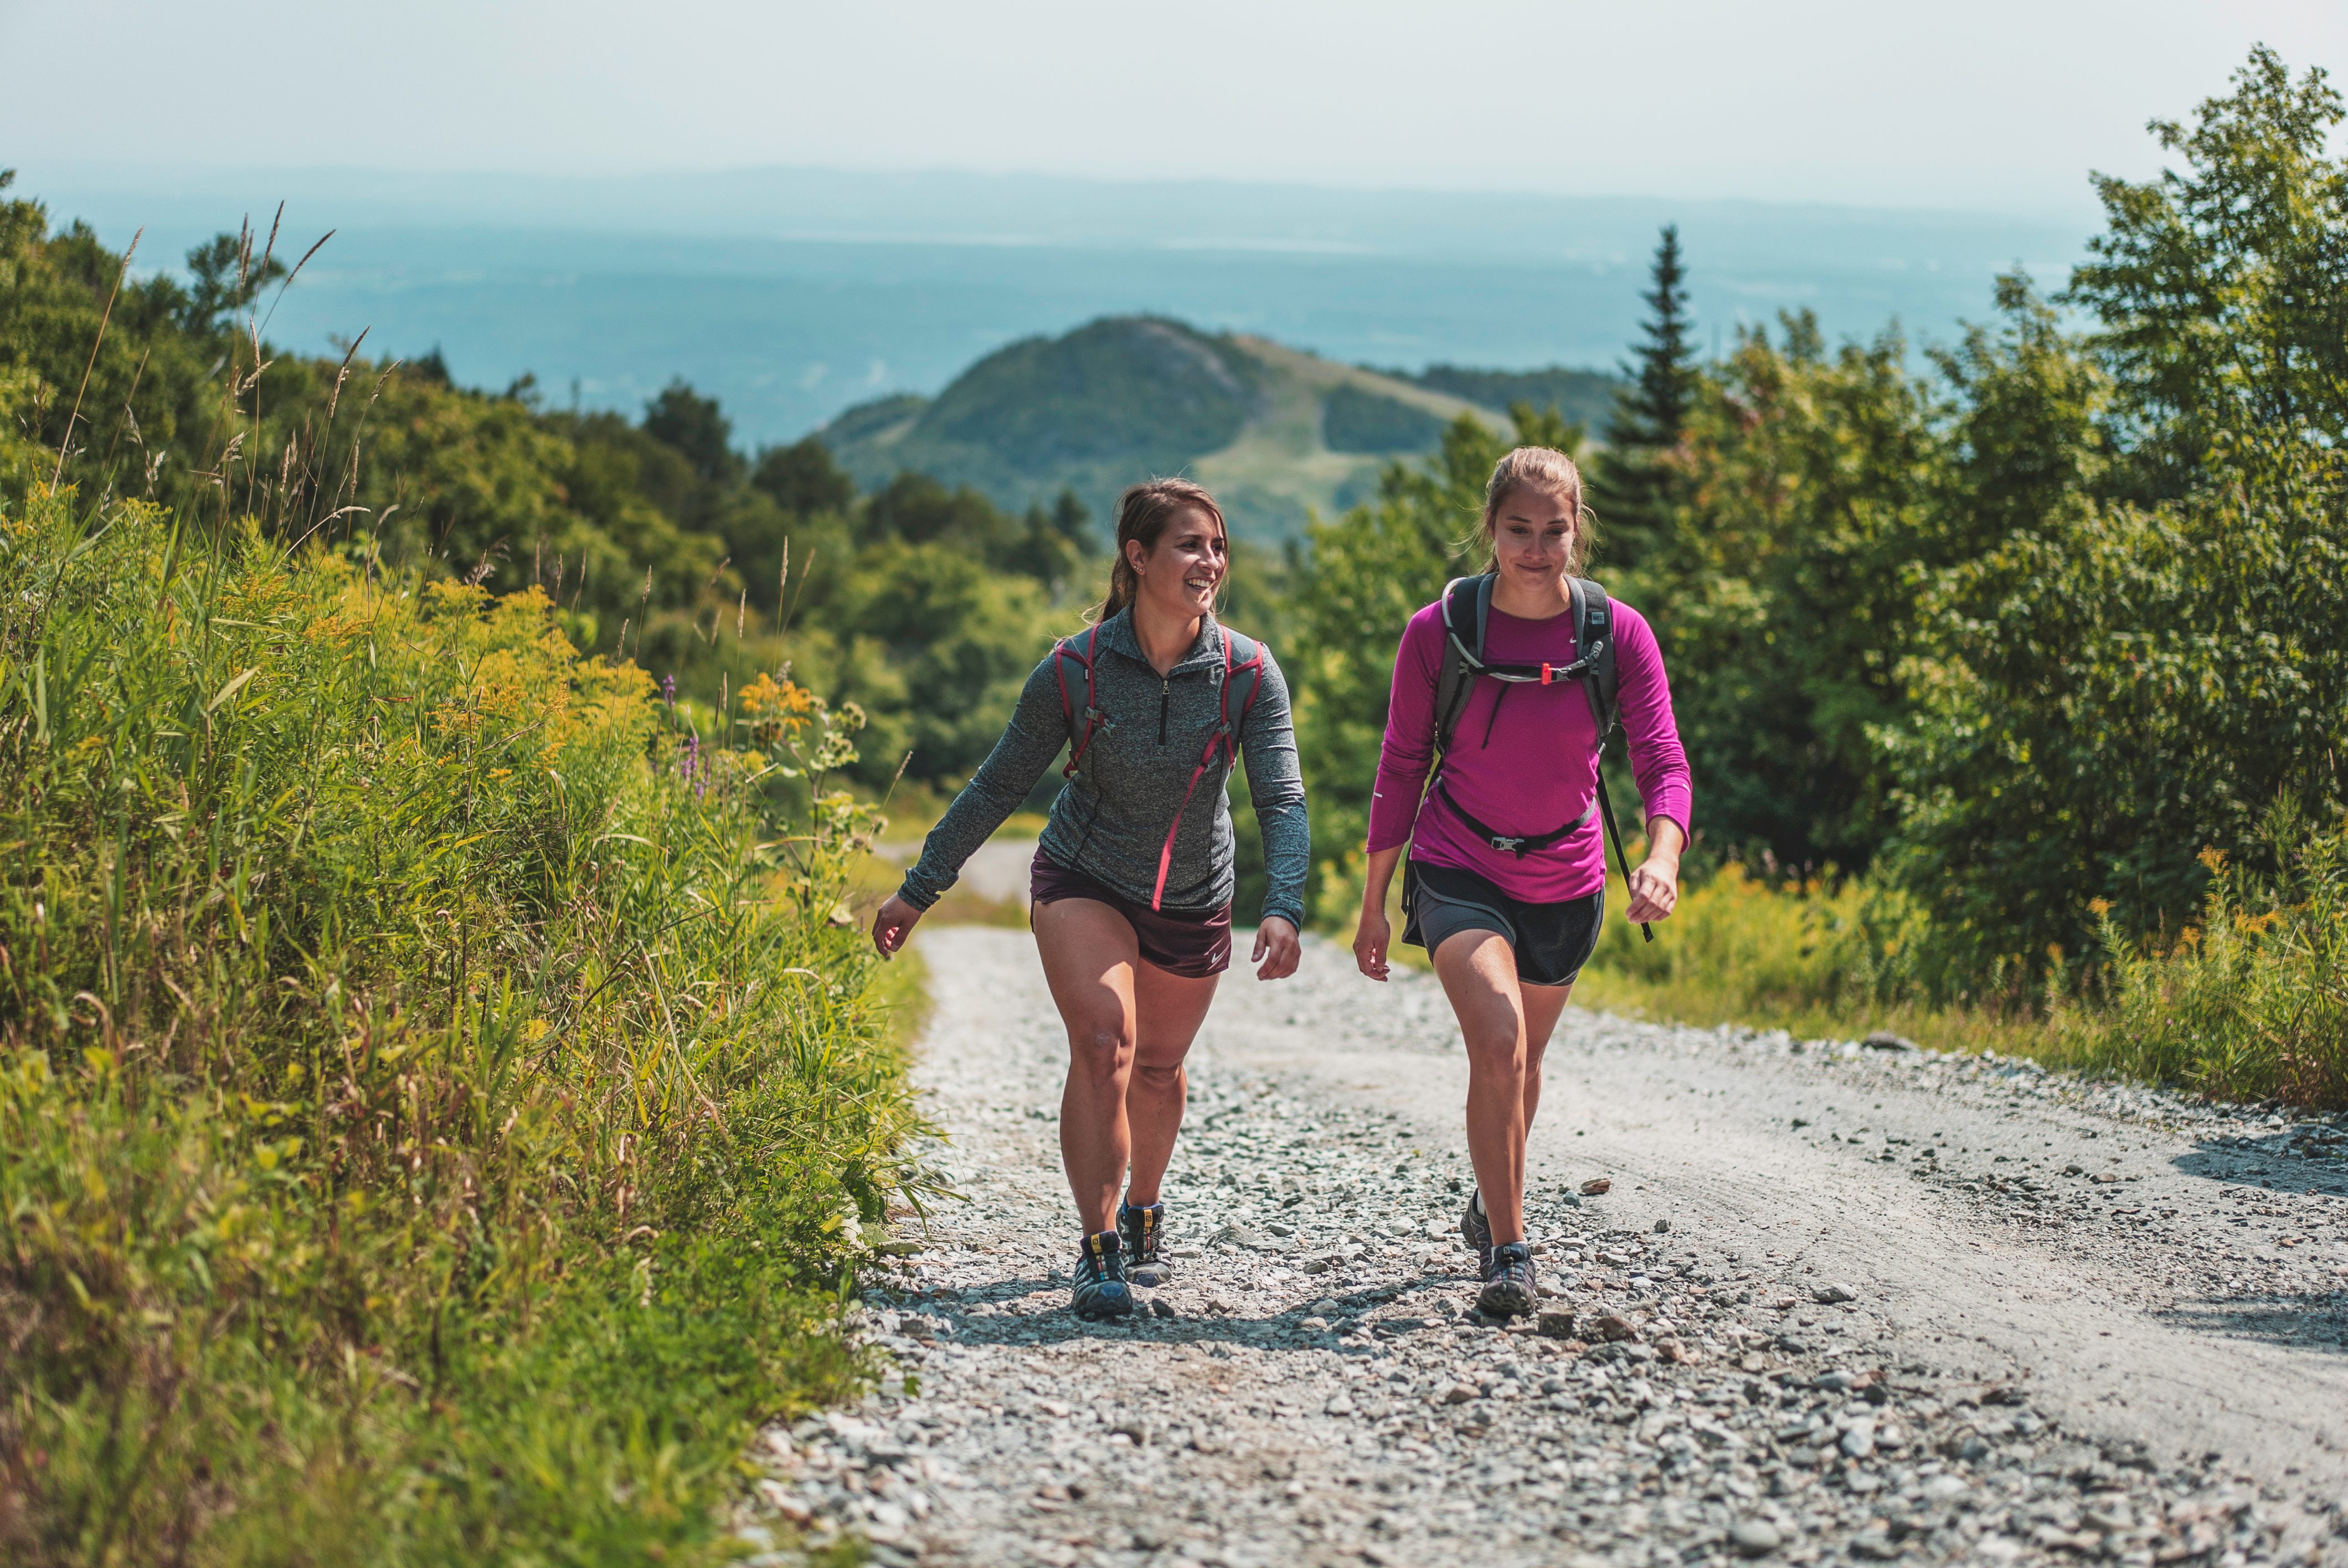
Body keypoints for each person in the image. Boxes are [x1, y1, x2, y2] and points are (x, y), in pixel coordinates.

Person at [872, 478, 1309, 1320]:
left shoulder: (1249, 673)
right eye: (1189, 544)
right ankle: (1098, 1242)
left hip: (1194, 892)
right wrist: (918, 889)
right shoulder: (1074, 671)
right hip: (1084, 876)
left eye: (1217, 546)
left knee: (1158, 1067)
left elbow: (1281, 799)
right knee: (1107, 1043)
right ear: (1138, 558)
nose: (1208, 561)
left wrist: (1283, 902)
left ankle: (1145, 1204)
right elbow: (998, 785)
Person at [1352, 446, 1691, 1318]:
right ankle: (1510, 1249)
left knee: (1525, 1062)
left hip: (1568, 877)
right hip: (1458, 862)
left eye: (1554, 531)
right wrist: (1374, 904)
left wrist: (1663, 856)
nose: (1536, 549)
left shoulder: (1618, 635)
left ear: (1578, 532)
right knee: (1499, 1041)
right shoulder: (1440, 631)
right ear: (1491, 530)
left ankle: (1489, 1195)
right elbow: (1400, 764)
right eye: (1518, 530)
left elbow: (1662, 758)